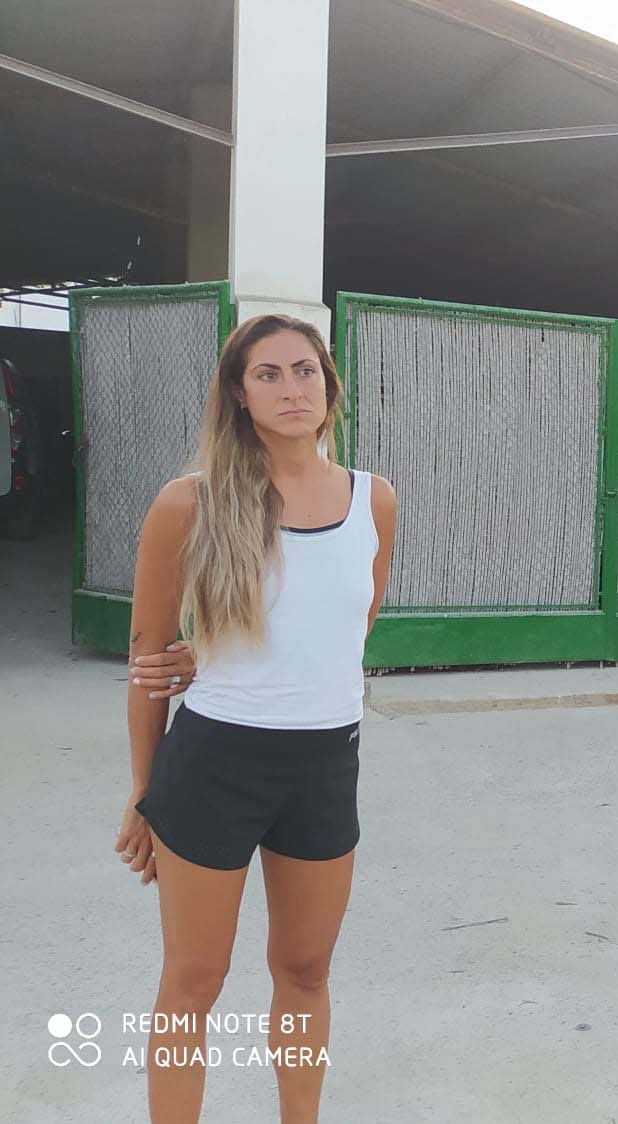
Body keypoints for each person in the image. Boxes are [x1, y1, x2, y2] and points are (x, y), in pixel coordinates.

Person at [117, 314, 398, 1121]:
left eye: (305, 370)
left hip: (324, 766)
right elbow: (147, 663)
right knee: (193, 979)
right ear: (238, 395)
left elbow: (346, 629)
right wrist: (145, 790)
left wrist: (223, 652)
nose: (291, 388)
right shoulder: (188, 504)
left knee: (306, 971)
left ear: (329, 384)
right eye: (268, 374)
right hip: (213, 765)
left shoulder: (373, 500)